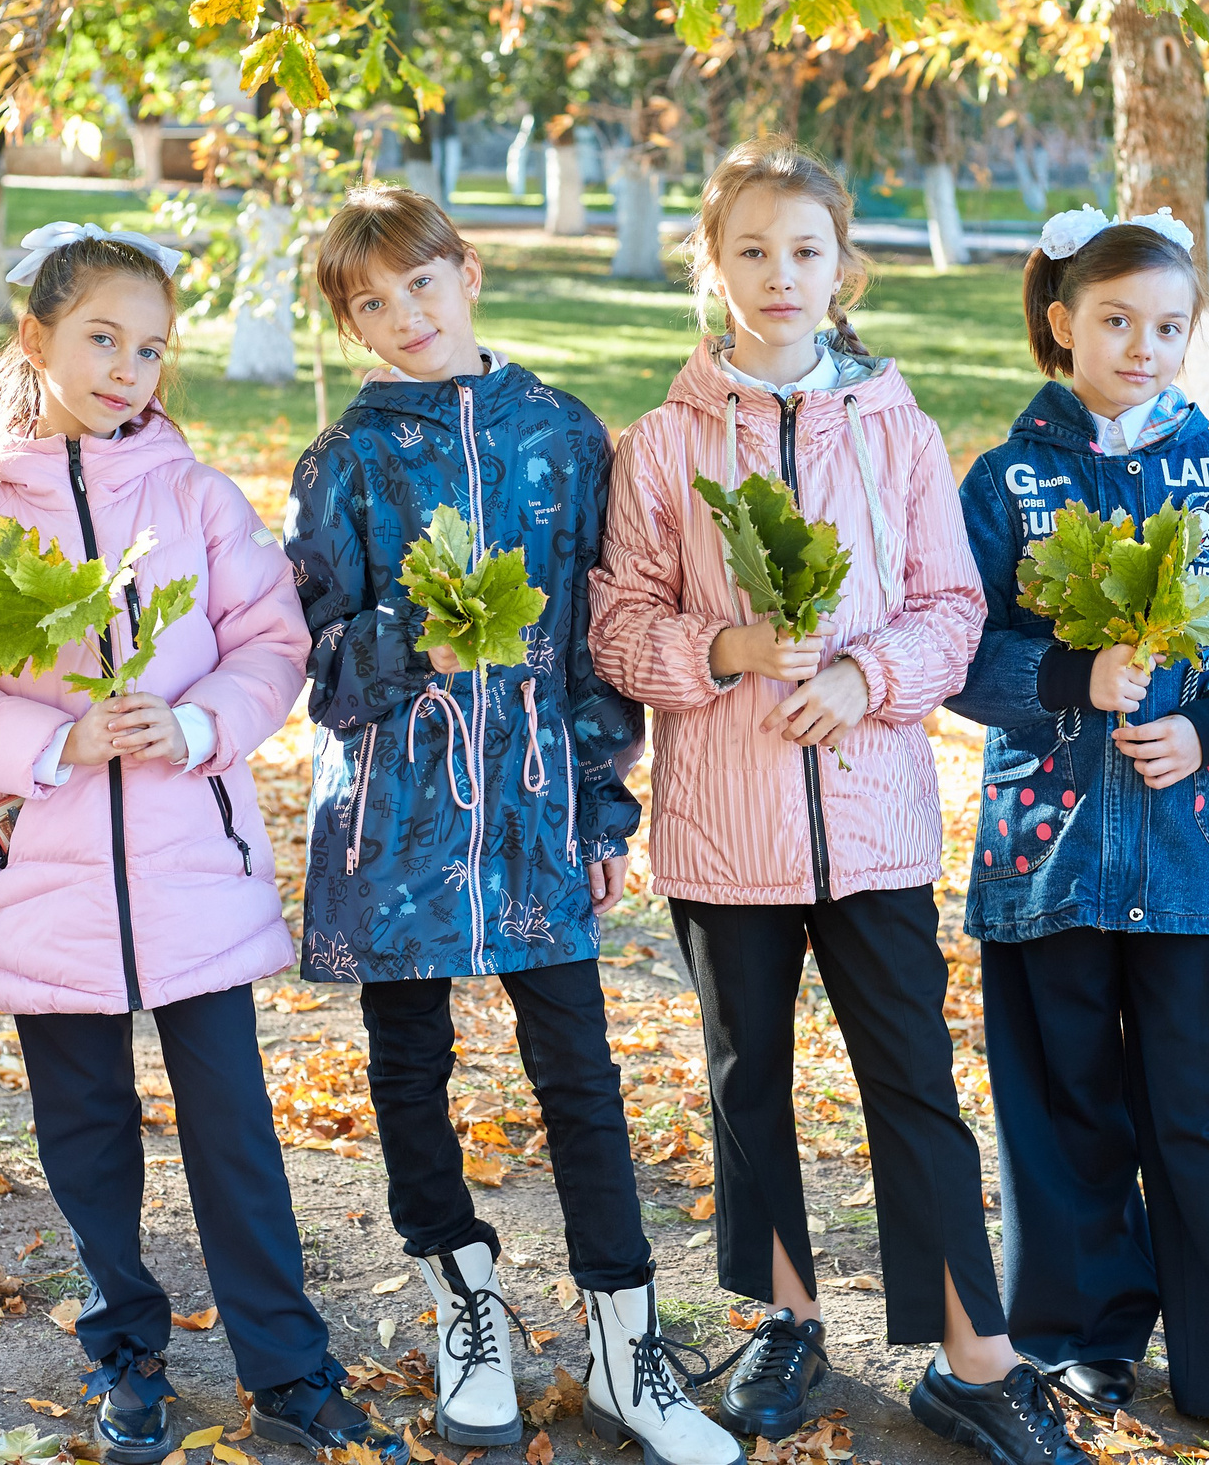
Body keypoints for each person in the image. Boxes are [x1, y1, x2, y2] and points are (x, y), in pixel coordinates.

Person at [0, 225, 390, 1465]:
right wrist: (58, 744)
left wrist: (187, 722)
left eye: (150, 347)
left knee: (235, 1129)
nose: (127, 367)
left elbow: (269, 647)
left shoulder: (197, 497)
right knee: (86, 1135)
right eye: (101, 338)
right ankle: (127, 1349)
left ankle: (289, 1363)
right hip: (44, 881)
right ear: (38, 339)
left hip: (193, 880)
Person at [590, 140, 1046, 1458]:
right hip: (725, 829)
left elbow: (952, 607)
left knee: (914, 1077)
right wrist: (720, 651)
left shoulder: (896, 426)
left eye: (804, 251)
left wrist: (865, 674)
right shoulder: (665, 442)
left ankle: (975, 1352)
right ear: (711, 267)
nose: (779, 275)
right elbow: (619, 623)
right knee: (753, 1082)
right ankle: (784, 1314)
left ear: (844, 268)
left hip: (877, 820)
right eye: (750, 251)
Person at [284, 187, 739, 1465]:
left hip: (538, 800)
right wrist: (398, 643)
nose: (402, 316)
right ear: (353, 327)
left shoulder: (564, 436)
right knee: (408, 1063)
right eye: (370, 305)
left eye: (418, 285)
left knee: (578, 1072)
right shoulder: (346, 460)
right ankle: (461, 1292)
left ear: (466, 272)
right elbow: (311, 668)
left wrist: (603, 800)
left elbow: (600, 645)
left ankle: (623, 1334)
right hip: (400, 812)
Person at [947, 206, 1209, 1464]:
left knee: (1202, 1110)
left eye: (1168, 326)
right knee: (1061, 1104)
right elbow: (951, 649)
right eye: (1116, 321)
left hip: (1189, 855)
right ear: (1062, 322)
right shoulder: (1003, 479)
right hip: (1046, 852)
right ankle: (1078, 1337)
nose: (1142, 347)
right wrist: (1073, 678)